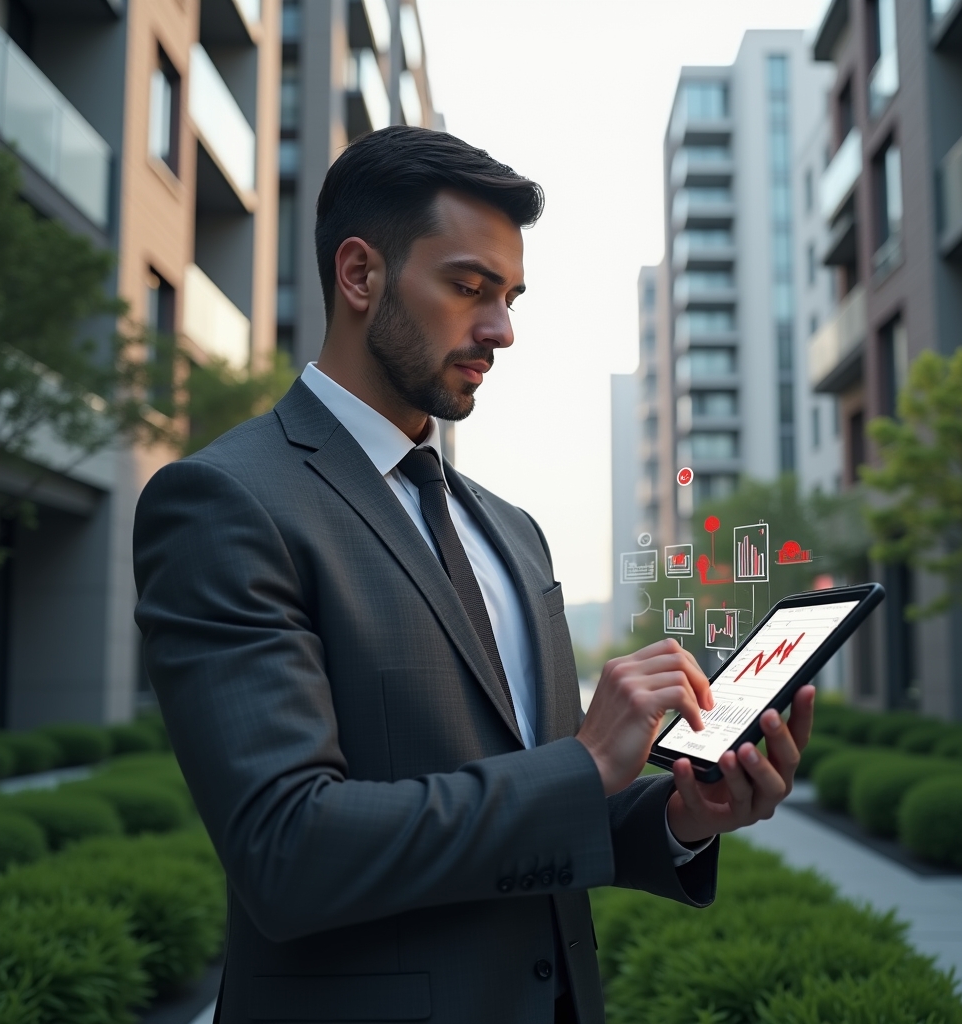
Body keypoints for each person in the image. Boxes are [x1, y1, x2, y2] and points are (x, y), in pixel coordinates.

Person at [133, 126, 813, 1024]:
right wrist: (583, 765)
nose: (502, 330)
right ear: (360, 274)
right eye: (469, 288)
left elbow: (553, 806)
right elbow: (286, 851)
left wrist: (685, 816)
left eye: (510, 296)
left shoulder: (512, 532)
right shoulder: (226, 502)